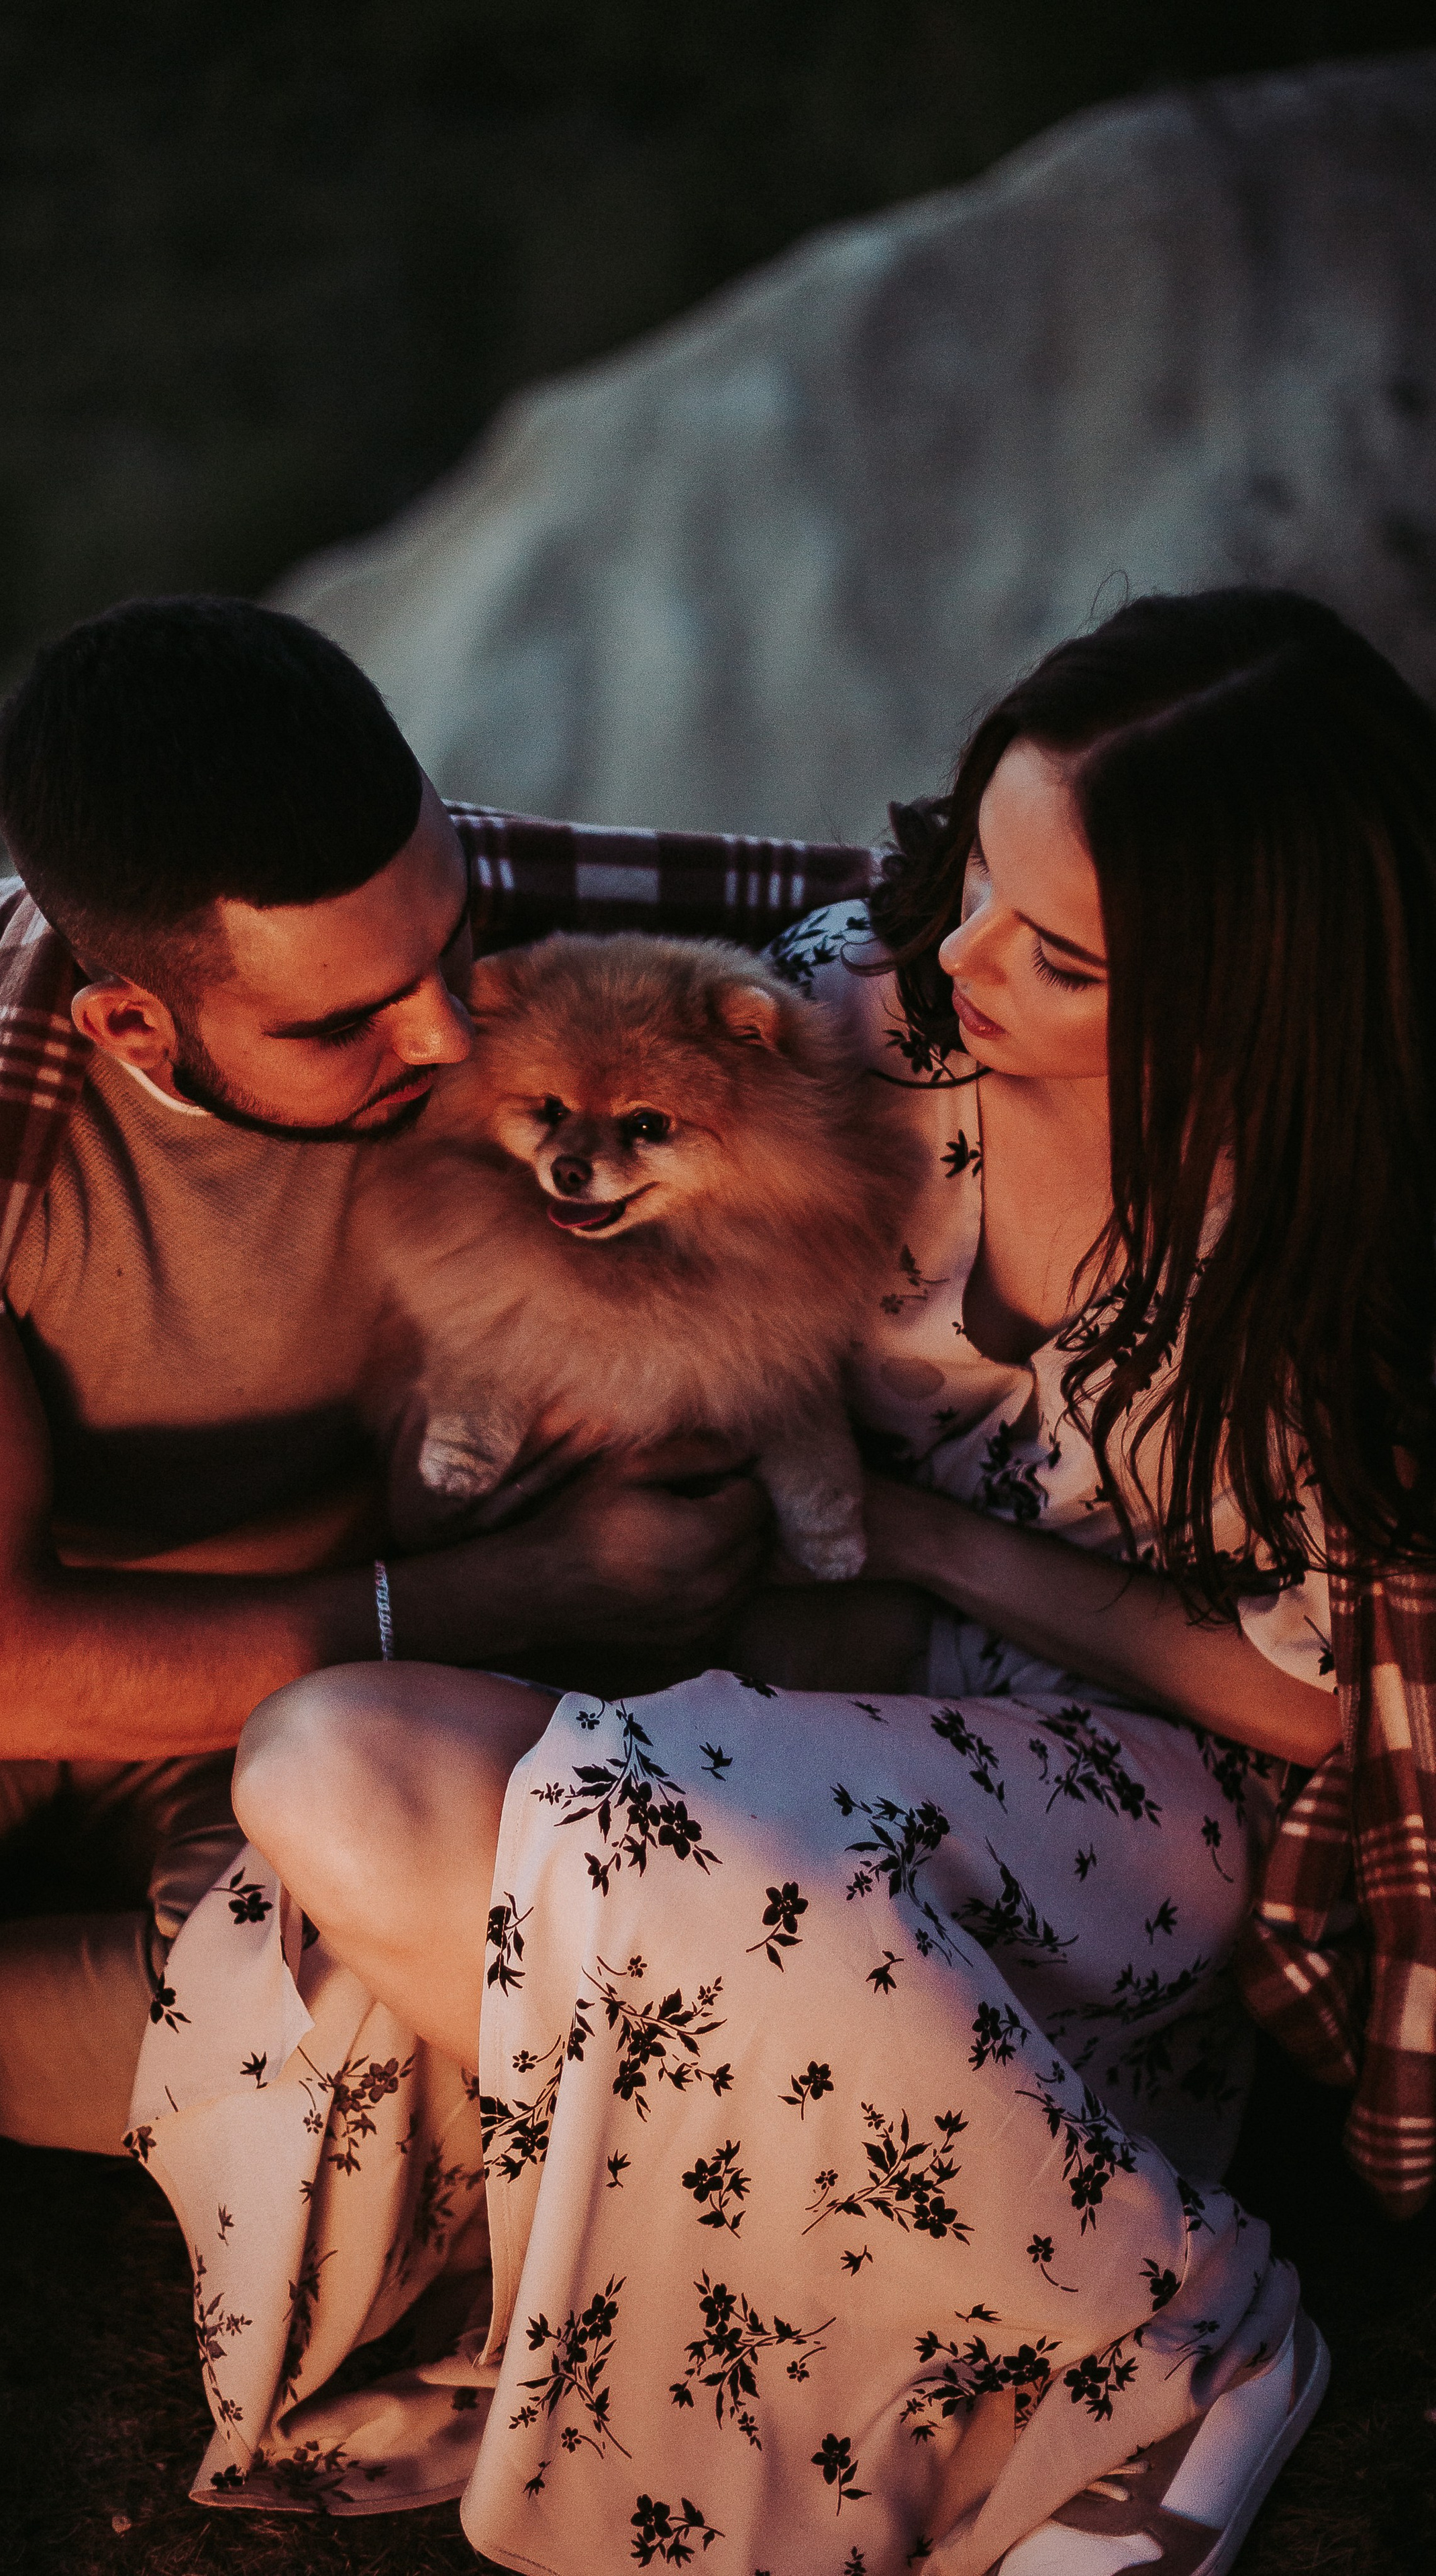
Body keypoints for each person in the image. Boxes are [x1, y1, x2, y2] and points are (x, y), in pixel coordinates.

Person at [219, 588, 1436, 2573]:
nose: (951, 953)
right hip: (790, 1722)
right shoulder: (858, 1025)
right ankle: (917, 2284)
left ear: (1243, 1005)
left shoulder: (1331, 1254)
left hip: (1129, 1808)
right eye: (974, 870)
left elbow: (1318, 1698)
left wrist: (927, 1536)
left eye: (1051, 951)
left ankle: (1180, 2331)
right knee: (324, 1770)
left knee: (612, 1850)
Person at [0, 597, 855, 2576]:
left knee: (435, 2027)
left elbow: (850, 944)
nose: (442, 1039)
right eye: (343, 1023)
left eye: (445, 953)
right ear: (134, 1025)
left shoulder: (492, 963)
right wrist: (529, 1585)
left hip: (280, 1741)